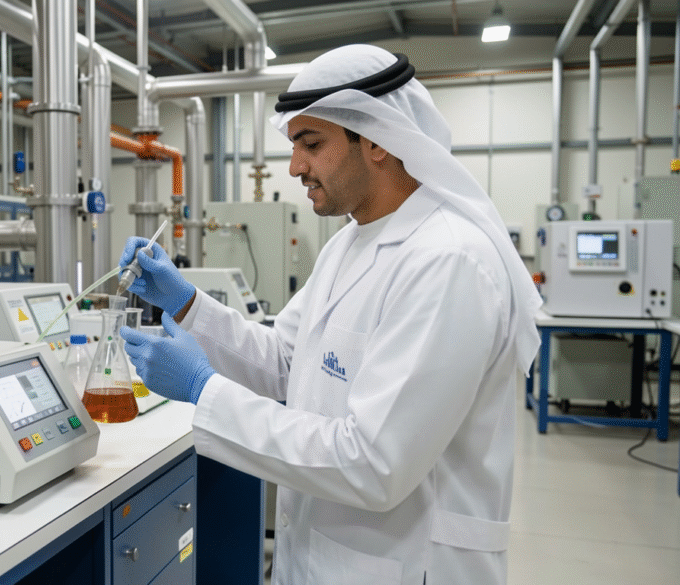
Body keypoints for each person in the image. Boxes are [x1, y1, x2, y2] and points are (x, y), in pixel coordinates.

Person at [118, 44, 541, 585]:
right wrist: (187, 303)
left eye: (311, 144)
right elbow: (285, 361)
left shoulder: (447, 261)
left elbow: (374, 464)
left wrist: (204, 390)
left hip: (412, 565)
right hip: (323, 556)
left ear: (377, 140)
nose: (296, 166)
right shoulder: (348, 244)